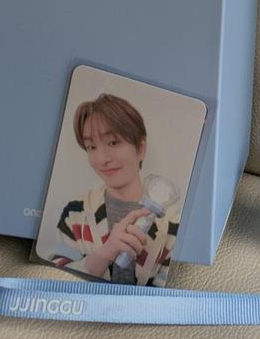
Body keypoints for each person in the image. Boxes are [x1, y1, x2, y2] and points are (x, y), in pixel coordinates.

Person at [50, 92, 179, 286]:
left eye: (113, 142)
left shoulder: (173, 223)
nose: (102, 159)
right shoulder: (75, 213)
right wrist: (104, 254)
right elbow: (53, 281)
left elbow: (172, 292)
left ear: (141, 148)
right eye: (91, 147)